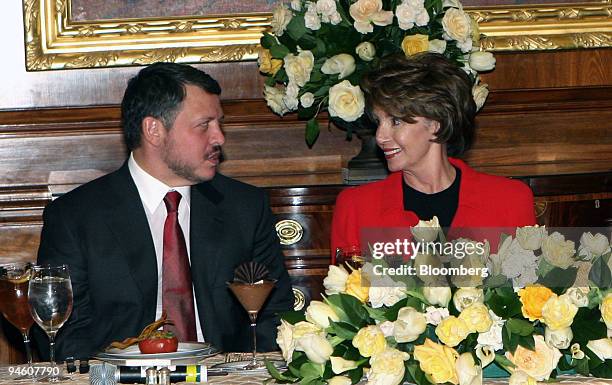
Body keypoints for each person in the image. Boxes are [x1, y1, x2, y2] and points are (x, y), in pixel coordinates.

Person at [35, 62, 294, 360]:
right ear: (154, 130)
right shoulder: (75, 217)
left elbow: (275, 314)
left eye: (219, 123)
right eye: (204, 125)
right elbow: (64, 335)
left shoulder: (245, 207)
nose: (219, 137)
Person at [331, 53, 536, 259]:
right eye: (378, 122)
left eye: (395, 121)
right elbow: (346, 289)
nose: (380, 136)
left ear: (436, 124)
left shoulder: (511, 201)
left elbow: (531, 289)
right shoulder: (355, 207)